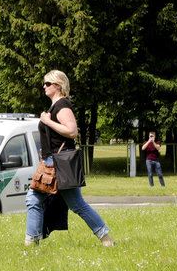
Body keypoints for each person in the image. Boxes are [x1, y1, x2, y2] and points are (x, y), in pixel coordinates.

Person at [26, 70, 112, 247]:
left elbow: (72, 131)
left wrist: (47, 121)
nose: (44, 86)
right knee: (33, 199)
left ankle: (106, 238)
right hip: (50, 163)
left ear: (58, 85)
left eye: (48, 83)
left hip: (59, 164)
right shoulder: (54, 106)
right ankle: (31, 243)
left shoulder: (62, 105)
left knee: (77, 205)